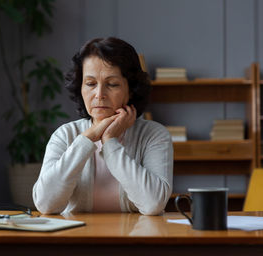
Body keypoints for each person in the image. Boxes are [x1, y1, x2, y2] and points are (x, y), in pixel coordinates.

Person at [33, 37, 173, 215]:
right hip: (78, 238)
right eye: (90, 84)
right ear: (80, 88)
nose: (99, 94)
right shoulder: (65, 135)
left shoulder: (154, 134)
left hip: (137, 238)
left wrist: (110, 141)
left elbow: (153, 204)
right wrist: (87, 139)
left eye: (112, 84)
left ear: (130, 90)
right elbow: (45, 204)